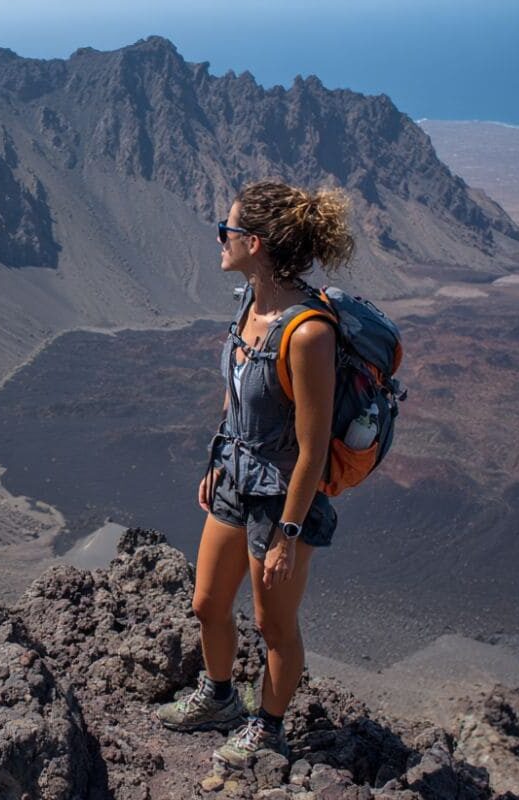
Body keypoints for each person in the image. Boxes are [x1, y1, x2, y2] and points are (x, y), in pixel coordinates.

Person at [156, 180, 355, 767]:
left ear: (257, 242)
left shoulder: (308, 332)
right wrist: (217, 460)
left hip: (283, 500)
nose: (220, 239)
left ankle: (269, 728)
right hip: (235, 480)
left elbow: (314, 451)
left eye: (228, 230)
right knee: (207, 603)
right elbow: (236, 395)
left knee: (274, 625)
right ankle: (219, 699)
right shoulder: (249, 302)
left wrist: (289, 536)